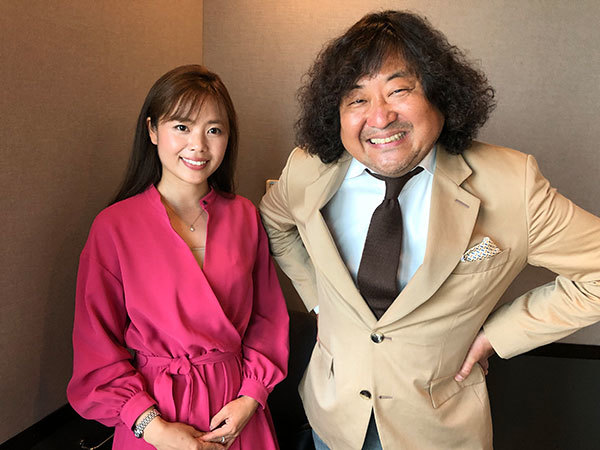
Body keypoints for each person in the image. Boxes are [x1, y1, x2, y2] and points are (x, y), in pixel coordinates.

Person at [259, 10, 600, 450]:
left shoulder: (511, 183)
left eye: (399, 90)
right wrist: (320, 302)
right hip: (332, 418)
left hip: (438, 430)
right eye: (357, 99)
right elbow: (276, 225)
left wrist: (496, 336)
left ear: (440, 94)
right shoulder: (308, 169)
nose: (379, 117)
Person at [67, 65, 289, 450]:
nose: (198, 145)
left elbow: (267, 320)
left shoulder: (244, 216)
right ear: (153, 130)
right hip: (153, 415)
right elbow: (96, 345)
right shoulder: (114, 226)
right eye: (182, 127)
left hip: (236, 412)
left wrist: (252, 397)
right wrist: (154, 429)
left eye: (214, 130)